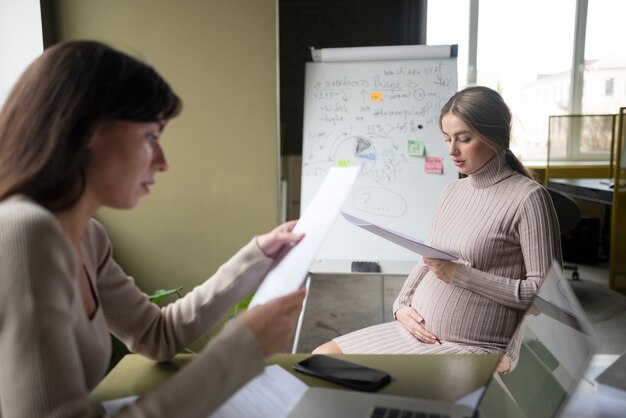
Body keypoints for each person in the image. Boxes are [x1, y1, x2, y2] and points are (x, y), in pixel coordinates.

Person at [0, 40, 306, 417]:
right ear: (85, 130)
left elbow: (155, 335)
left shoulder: (88, 236)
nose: (162, 161)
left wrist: (258, 256)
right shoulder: (23, 232)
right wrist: (241, 352)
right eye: (150, 137)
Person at [314, 86, 562, 372]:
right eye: (446, 139)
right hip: (415, 335)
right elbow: (428, 259)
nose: (452, 150)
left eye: (464, 139)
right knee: (320, 359)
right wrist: (401, 305)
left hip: (474, 345)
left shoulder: (529, 198)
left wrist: (460, 275)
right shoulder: (452, 191)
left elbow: (543, 299)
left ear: (495, 137)